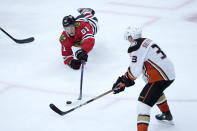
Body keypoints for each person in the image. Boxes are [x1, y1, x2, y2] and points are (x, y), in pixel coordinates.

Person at [112, 26, 175, 131]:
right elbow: (140, 67)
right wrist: (124, 79)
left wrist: (125, 80)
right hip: (168, 73)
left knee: (143, 106)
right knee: (154, 89)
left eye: (129, 38)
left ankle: (165, 115)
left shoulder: (136, 47)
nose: (129, 40)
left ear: (131, 37)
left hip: (161, 77)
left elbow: (135, 71)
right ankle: (167, 115)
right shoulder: (146, 41)